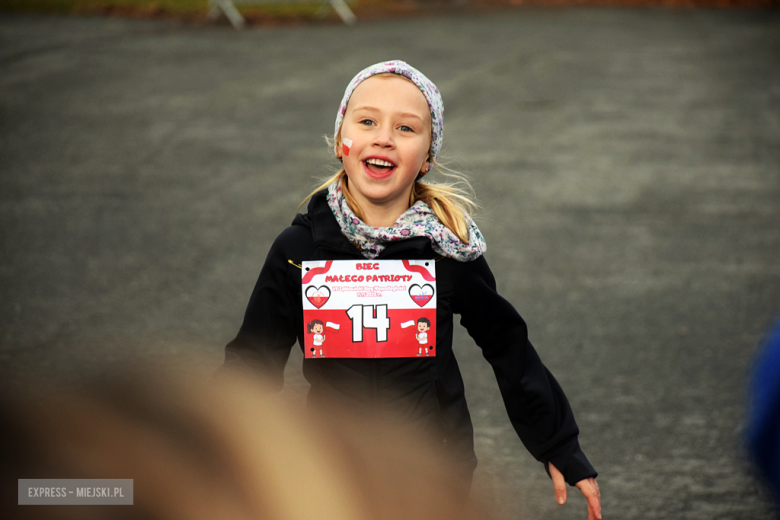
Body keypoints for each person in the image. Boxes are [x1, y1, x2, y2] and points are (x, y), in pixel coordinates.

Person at [220, 60, 601, 519]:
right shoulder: (298, 249)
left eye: (405, 128)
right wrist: (203, 446)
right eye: (366, 121)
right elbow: (252, 360)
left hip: (434, 469)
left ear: (427, 158)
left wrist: (556, 442)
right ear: (340, 143)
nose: (383, 137)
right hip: (331, 468)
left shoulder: (447, 250)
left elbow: (508, 345)